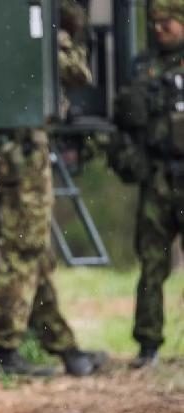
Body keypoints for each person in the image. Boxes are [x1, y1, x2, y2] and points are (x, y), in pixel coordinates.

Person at [0, 0, 106, 377]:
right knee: (24, 249)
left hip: (6, 149)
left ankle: (64, 347)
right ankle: (5, 350)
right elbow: (78, 73)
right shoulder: (37, 30)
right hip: (24, 151)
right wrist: (67, 37)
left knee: (35, 252)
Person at [109, 0, 184, 369]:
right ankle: (148, 345)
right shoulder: (143, 66)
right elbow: (124, 122)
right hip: (157, 176)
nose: (159, 29)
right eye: (154, 22)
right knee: (152, 262)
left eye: (167, 22)